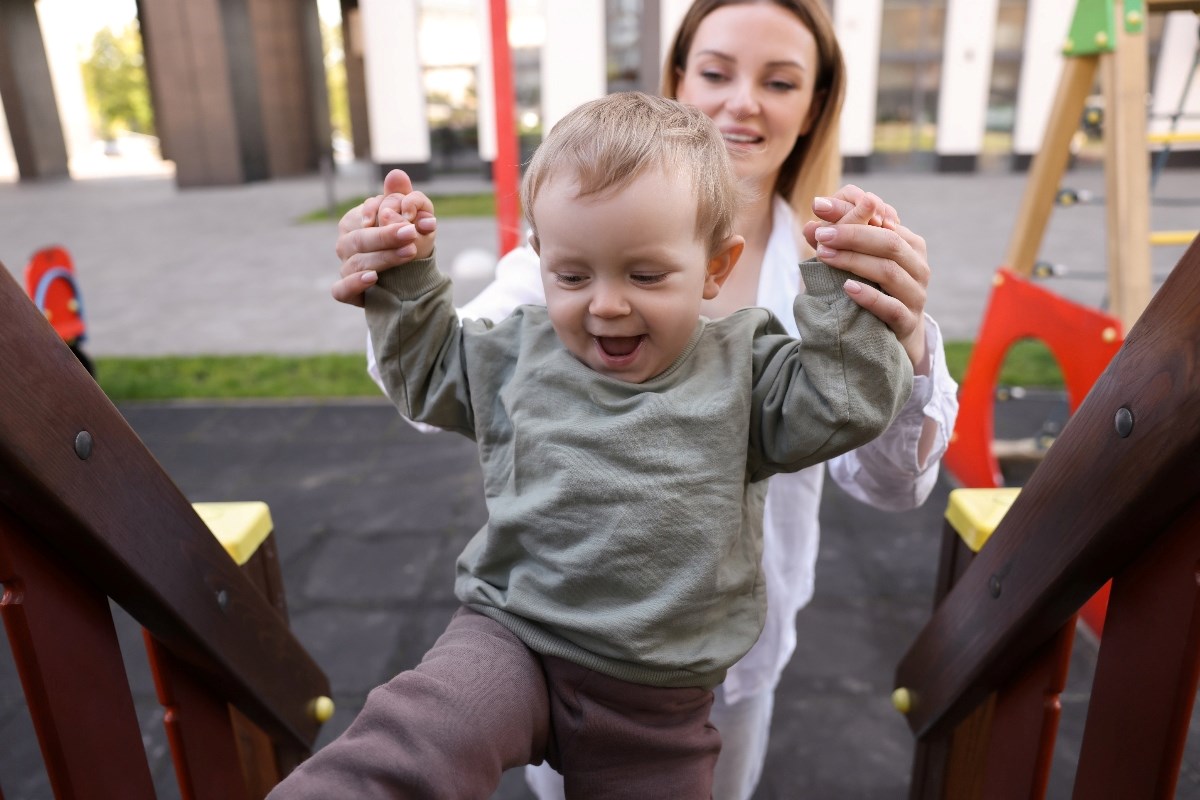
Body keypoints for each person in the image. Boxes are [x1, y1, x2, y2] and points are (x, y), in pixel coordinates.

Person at [331, 2, 959, 797]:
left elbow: (874, 456)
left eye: (779, 80)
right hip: (526, 626)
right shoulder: (546, 290)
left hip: (685, 671)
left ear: (814, 106)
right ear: (678, 80)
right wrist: (396, 273)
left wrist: (872, 322)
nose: (605, 306)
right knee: (413, 731)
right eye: (717, 71)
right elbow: (435, 376)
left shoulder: (762, 351)